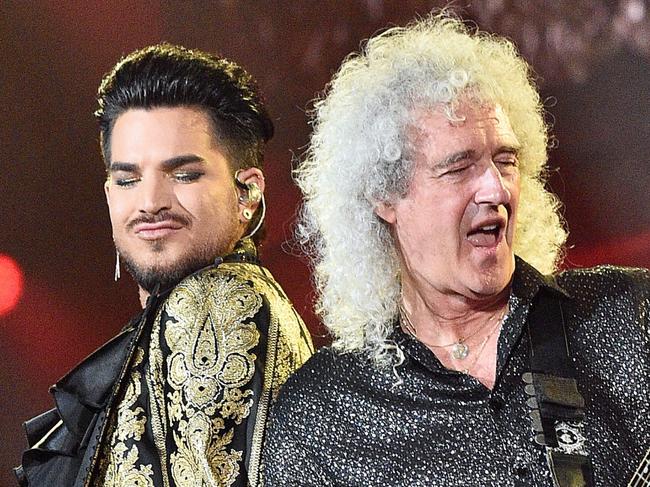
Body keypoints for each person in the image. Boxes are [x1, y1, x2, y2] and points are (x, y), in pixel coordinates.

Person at [263, 14, 650, 487]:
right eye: (459, 167)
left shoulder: (629, 313)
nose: (496, 189)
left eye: (505, 160)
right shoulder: (318, 419)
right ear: (384, 196)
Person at [15, 43, 314, 487]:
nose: (151, 203)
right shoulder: (238, 300)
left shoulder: (214, 300)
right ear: (109, 196)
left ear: (247, 194)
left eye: (184, 174)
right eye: (128, 180)